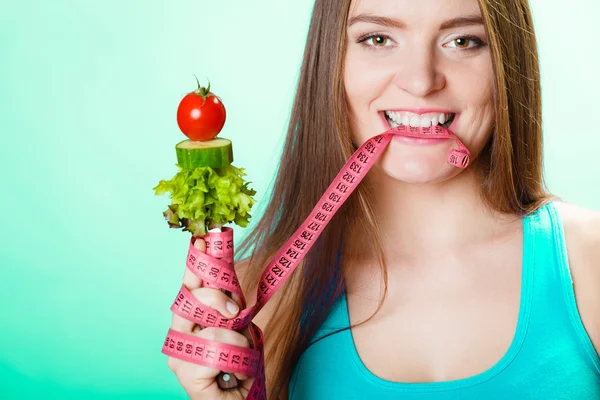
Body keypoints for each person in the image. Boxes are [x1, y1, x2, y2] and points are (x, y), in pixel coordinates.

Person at [167, 0, 600, 398]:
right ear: (331, 62)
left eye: (463, 40)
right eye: (378, 39)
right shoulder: (251, 306)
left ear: (507, 63)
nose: (420, 81)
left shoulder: (589, 262)